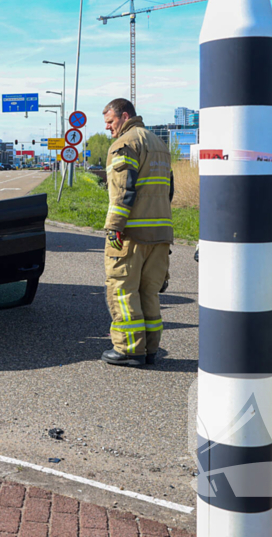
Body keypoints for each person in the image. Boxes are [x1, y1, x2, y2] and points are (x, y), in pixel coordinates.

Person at [101, 98, 173, 367]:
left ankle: (129, 350)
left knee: (123, 290)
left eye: (110, 122)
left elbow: (123, 189)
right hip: (161, 232)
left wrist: (114, 228)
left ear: (124, 115)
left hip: (131, 234)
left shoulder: (124, 144)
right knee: (149, 293)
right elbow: (168, 191)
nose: (109, 128)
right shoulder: (159, 144)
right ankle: (150, 348)